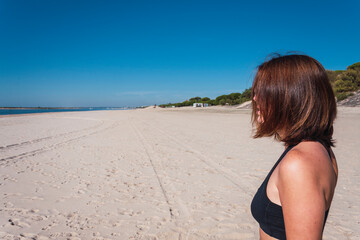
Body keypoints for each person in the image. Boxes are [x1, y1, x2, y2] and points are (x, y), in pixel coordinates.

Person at [250, 54, 338, 240]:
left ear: (292, 96)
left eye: (265, 91)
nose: (256, 98)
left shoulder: (299, 163)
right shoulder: (318, 150)